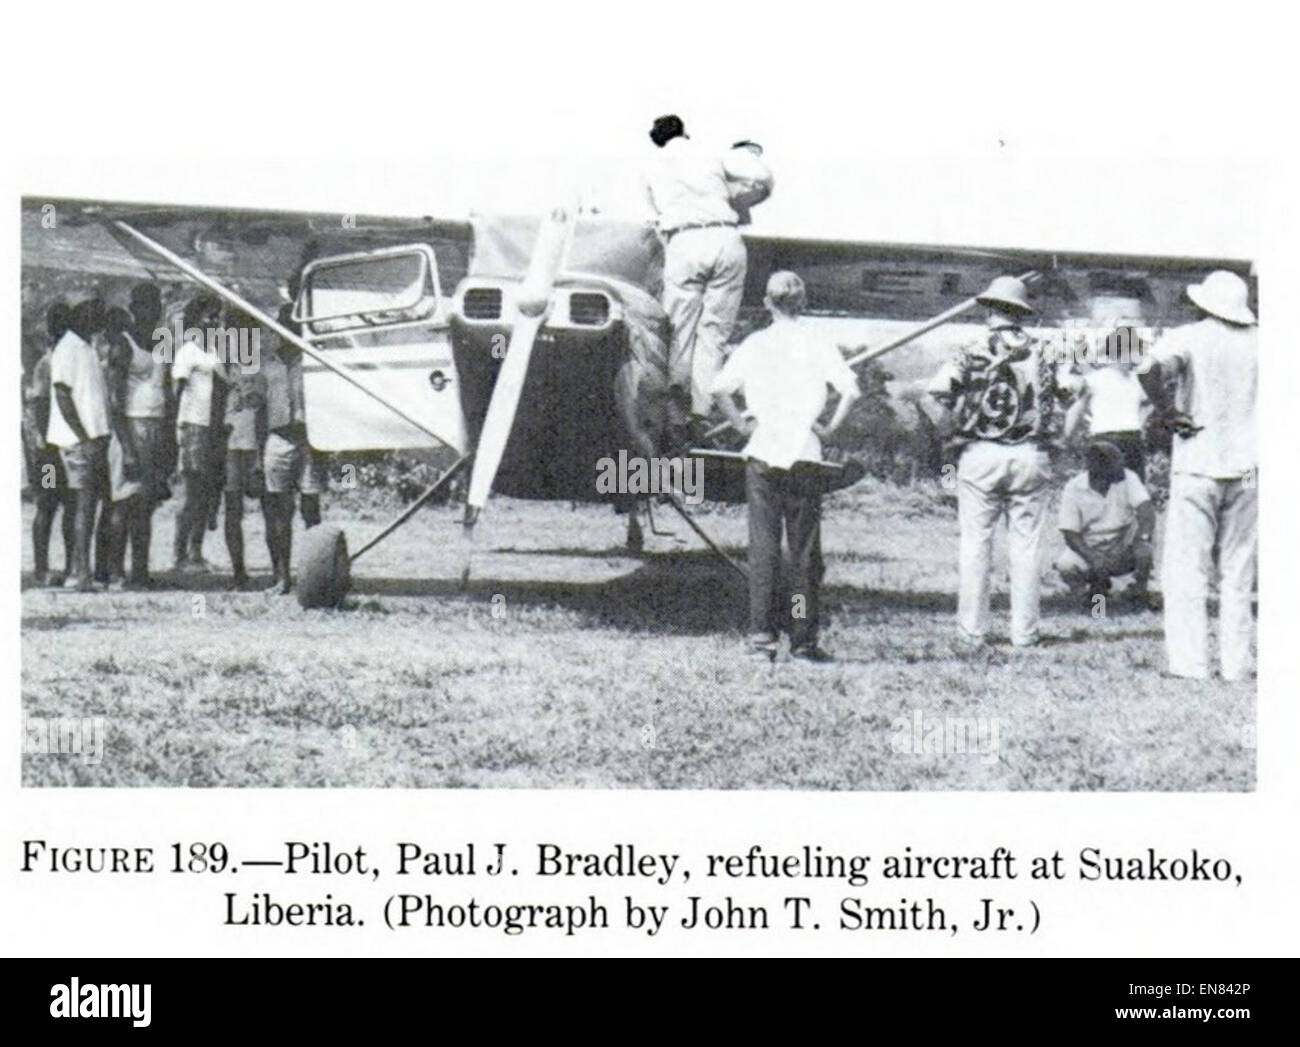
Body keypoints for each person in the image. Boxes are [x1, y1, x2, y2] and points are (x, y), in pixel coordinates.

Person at [710, 270, 860, 663]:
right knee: (804, 553)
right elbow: (849, 390)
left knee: (764, 550)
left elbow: (720, 389)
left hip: (762, 452)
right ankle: (803, 640)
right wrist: (828, 429)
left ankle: (762, 638)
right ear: (804, 302)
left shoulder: (755, 344)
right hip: (805, 454)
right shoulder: (818, 343)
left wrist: (743, 425)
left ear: (766, 303)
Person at [924, 275, 1075, 648]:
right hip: (1030, 455)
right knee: (1026, 547)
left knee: (975, 545)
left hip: (980, 456)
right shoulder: (1045, 351)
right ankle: (1024, 634)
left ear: (990, 308)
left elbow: (933, 397)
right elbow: (1077, 392)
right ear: (1021, 312)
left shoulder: (970, 349)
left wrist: (950, 437)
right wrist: (1062, 439)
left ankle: (971, 633)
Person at [1138, 269, 1257, 681]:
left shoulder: (1190, 336)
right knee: (1238, 570)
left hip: (1197, 461)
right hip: (1249, 469)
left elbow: (1147, 370)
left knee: (1188, 569)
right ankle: (1237, 663)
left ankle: (1190, 664)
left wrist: (1168, 411)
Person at [645, 114, 773, 437]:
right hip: (724, 236)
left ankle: (675, 416)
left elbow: (652, 218)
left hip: (683, 241)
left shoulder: (652, 166)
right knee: (713, 333)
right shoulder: (710, 152)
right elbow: (763, 176)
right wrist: (740, 199)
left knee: (679, 332)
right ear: (684, 133)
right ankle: (700, 412)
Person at [47, 298, 112, 591]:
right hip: (78, 441)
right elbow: (62, 395)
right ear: (81, 319)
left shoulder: (87, 347)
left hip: (93, 438)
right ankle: (81, 573)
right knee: (82, 508)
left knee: (86, 507)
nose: (99, 323)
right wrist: (84, 437)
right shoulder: (68, 348)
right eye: (94, 317)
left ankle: (78, 569)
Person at [261, 307, 325, 594]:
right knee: (278, 511)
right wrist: (254, 457)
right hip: (276, 439)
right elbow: (257, 409)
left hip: (307, 440)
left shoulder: (311, 363)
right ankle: (282, 576)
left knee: (311, 507)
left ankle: (316, 573)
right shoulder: (267, 365)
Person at [1054, 440, 1156, 607]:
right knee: (1066, 565)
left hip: (1123, 544)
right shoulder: (1073, 487)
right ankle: (1093, 598)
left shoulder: (1129, 477)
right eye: (1113, 464)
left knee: (1144, 547)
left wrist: (1140, 540)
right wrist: (1093, 557)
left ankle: (1137, 593)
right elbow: (1070, 533)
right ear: (1096, 468)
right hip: (1090, 546)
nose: (1120, 469)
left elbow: (1147, 512)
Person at [1062, 296, 1150, 478]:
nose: (1132, 356)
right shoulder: (1095, 379)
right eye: (1129, 350)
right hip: (1105, 440)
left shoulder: (1136, 380)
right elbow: (1077, 409)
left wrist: (1140, 422)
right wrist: (1065, 438)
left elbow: (1149, 403)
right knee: (1104, 493)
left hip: (1130, 440)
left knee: (1132, 491)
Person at [23, 302, 76, 585]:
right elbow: (40, 406)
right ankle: (42, 569)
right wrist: (47, 444)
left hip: (60, 447)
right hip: (49, 451)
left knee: (69, 506)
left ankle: (68, 567)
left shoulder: (65, 359)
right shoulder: (47, 364)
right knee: (47, 505)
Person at [171, 293, 223, 572]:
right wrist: (176, 431)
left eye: (217, 316)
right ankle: (179, 553)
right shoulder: (187, 352)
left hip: (213, 428)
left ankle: (196, 551)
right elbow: (177, 394)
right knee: (191, 495)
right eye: (209, 316)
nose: (214, 321)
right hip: (193, 426)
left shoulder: (216, 352)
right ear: (196, 319)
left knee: (207, 494)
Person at [220, 308, 268, 590]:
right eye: (232, 330)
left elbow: (263, 412)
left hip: (256, 445)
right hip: (231, 446)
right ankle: (238, 572)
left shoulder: (261, 367)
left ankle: (279, 571)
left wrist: (260, 455)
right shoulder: (222, 365)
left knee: (268, 507)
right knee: (232, 510)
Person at [99, 308, 146, 590]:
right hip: (126, 430)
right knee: (121, 502)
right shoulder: (121, 347)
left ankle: (138, 572)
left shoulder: (150, 342)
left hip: (144, 428)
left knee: (141, 504)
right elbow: (116, 404)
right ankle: (113, 572)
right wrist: (127, 447)